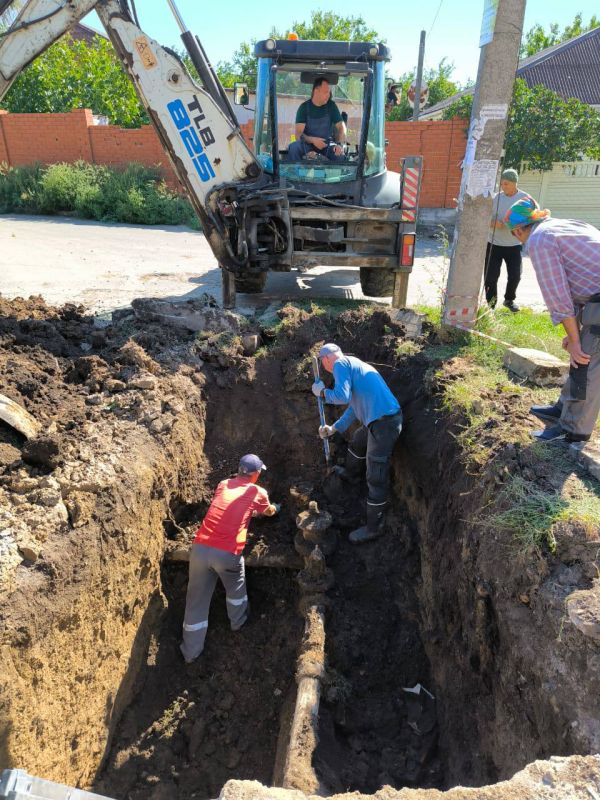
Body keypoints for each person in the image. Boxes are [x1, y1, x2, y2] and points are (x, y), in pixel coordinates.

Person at [504, 195, 600, 443]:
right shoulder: (562, 226)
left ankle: (572, 430)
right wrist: (574, 335)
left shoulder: (539, 241)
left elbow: (558, 296)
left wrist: (576, 340)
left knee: (586, 360)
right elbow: (579, 286)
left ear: (517, 231)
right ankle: (563, 410)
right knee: (581, 355)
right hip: (595, 301)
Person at [180, 453, 279, 663]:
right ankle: (238, 624)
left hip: (199, 549)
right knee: (235, 589)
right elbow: (267, 511)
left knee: (195, 600)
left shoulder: (223, 484)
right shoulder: (257, 491)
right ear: (256, 474)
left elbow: (228, 507)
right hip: (226, 553)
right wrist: (275, 509)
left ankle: (190, 652)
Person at [312, 343, 403, 543]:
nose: (326, 367)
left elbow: (341, 396)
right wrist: (334, 428)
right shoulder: (353, 365)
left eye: (323, 362)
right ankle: (352, 476)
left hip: (384, 424)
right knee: (358, 442)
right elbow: (353, 407)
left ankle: (374, 527)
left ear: (327, 359)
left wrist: (323, 393)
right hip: (379, 421)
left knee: (375, 474)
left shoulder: (341, 364)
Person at [484, 168, 529, 312]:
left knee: (515, 275)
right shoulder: (496, 198)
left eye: (507, 184)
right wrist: (493, 223)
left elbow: (531, 219)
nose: (503, 187)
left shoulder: (525, 199)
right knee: (491, 277)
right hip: (494, 244)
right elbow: (484, 218)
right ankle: (491, 305)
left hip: (514, 245)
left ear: (515, 183)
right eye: (502, 184)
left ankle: (509, 300)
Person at [287, 77, 346, 162]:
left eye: (329, 93)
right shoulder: (304, 108)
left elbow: (342, 127)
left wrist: (339, 145)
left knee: (339, 155)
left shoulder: (331, 106)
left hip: (327, 145)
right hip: (307, 145)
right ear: (316, 91)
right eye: (326, 92)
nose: (328, 95)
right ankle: (293, 174)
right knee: (294, 147)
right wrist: (313, 141)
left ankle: (336, 175)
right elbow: (298, 135)